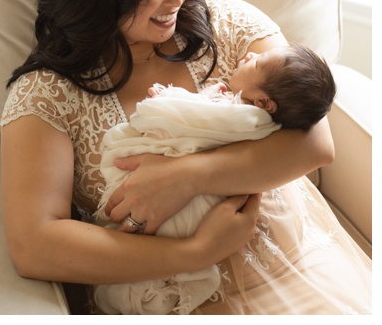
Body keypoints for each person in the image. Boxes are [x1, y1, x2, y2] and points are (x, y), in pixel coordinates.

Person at [0, 0, 370, 314]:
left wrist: (185, 177)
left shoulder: (229, 23)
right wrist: (196, 251)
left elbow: (315, 142)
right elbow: (34, 245)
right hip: (182, 304)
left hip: (303, 268)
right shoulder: (47, 94)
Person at [91, 44, 337, 314]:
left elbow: (194, 122)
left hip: (240, 236)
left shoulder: (249, 117)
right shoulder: (255, 115)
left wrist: (168, 99)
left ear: (265, 103)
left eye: (256, 63)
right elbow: (208, 123)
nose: (249, 55)